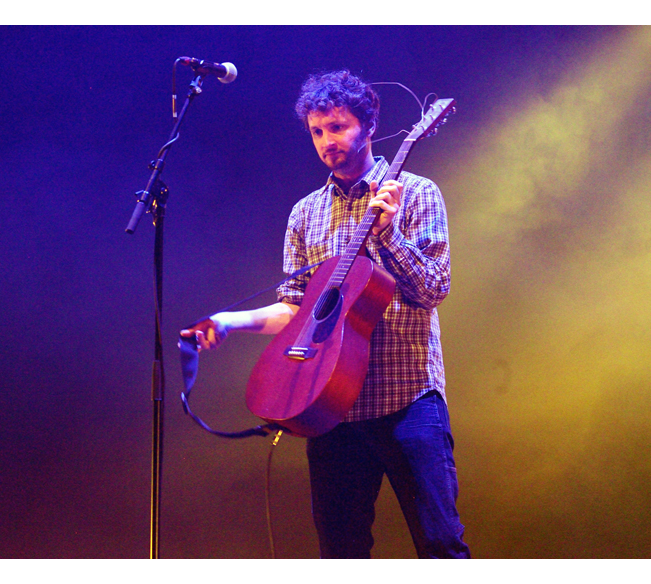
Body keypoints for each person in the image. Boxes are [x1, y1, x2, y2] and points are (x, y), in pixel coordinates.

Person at [181, 70, 470, 559]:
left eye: (337, 127)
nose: (326, 142)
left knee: (441, 545)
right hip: (332, 406)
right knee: (340, 552)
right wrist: (227, 322)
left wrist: (388, 234)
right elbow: (294, 309)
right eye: (317, 132)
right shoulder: (304, 213)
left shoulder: (418, 194)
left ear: (369, 124)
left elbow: (434, 290)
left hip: (407, 398)